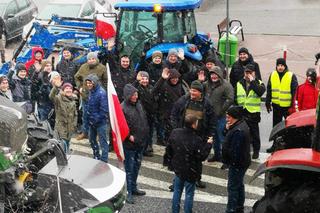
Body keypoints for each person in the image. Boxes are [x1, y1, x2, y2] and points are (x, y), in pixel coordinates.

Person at [171, 80, 216, 188]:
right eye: (191, 90)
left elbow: (212, 121)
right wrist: (177, 129)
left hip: (200, 136)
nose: (192, 93)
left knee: (197, 160)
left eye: (194, 91)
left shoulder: (207, 104)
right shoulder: (184, 100)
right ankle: (176, 181)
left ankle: (197, 179)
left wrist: (210, 135)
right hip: (185, 134)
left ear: (200, 92)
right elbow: (174, 114)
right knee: (181, 158)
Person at [166, 114, 212, 213]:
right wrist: (208, 145)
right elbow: (202, 156)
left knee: (177, 191)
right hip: (191, 170)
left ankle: (175, 210)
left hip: (178, 167)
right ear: (193, 125)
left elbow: (169, 148)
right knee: (189, 194)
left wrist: (171, 162)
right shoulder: (196, 139)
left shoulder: (175, 133)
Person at [121, 84, 149, 204]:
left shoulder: (138, 104)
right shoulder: (122, 108)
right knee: (129, 168)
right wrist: (128, 136)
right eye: (133, 94)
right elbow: (120, 126)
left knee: (136, 166)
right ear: (128, 95)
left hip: (140, 141)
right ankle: (128, 192)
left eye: (136, 94)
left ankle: (133, 187)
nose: (135, 96)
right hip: (130, 144)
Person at [265, 58, 298, 153]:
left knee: (290, 128)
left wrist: (292, 107)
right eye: (278, 65)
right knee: (275, 127)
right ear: (276, 66)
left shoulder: (291, 75)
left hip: (287, 107)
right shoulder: (273, 75)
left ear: (285, 66)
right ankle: (275, 145)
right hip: (276, 106)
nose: (280, 67)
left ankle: (289, 146)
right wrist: (268, 102)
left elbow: (295, 92)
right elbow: (269, 89)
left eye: (282, 65)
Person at [222, 106, 251, 213]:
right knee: (239, 185)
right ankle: (239, 207)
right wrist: (227, 129)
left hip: (237, 164)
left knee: (233, 187)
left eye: (228, 117)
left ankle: (231, 209)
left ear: (235, 117)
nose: (227, 119)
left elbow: (235, 151)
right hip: (241, 162)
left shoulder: (238, 131)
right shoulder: (237, 126)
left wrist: (229, 161)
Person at [74, 51, 107, 140]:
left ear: (96, 59)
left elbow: (106, 81)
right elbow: (76, 77)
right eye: (89, 59)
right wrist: (80, 87)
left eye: (93, 59)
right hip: (86, 96)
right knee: (85, 115)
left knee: (96, 116)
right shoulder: (83, 67)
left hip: (97, 98)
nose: (91, 60)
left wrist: (102, 91)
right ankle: (85, 132)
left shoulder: (102, 68)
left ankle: (95, 134)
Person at [203, 67, 234, 162]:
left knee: (223, 138)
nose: (213, 76)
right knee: (214, 138)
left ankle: (226, 158)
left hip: (221, 117)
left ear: (219, 75)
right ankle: (217, 155)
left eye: (215, 74)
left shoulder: (226, 85)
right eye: (212, 74)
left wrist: (221, 111)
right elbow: (199, 91)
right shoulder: (206, 84)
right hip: (210, 117)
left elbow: (230, 99)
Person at [235, 64, 265, 159]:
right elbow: (236, 97)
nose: (248, 75)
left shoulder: (259, 83)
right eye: (246, 72)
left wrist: (252, 81)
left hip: (253, 113)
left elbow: (260, 92)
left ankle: (256, 151)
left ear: (254, 73)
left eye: (250, 73)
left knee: (255, 133)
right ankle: (244, 150)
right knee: (242, 133)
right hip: (243, 112)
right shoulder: (239, 83)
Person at [153, 68, 189, 145]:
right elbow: (154, 91)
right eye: (173, 78)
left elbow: (185, 97)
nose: (175, 80)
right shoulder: (163, 85)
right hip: (164, 112)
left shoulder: (181, 86)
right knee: (162, 131)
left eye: (176, 78)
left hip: (176, 113)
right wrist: (162, 79)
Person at [84, 74, 109, 162]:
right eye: (87, 83)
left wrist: (95, 119)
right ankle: (96, 156)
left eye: (90, 83)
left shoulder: (101, 93)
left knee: (103, 142)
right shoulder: (92, 91)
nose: (88, 85)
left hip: (100, 123)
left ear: (94, 83)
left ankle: (104, 160)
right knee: (92, 140)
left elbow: (104, 110)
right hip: (92, 122)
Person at [133, 71, 157, 157]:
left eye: (146, 79)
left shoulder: (151, 88)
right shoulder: (137, 88)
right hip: (141, 114)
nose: (145, 81)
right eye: (142, 79)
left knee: (149, 133)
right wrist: (136, 81)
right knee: (142, 132)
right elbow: (131, 89)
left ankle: (148, 147)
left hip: (150, 115)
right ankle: (142, 148)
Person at [49, 80, 77, 153]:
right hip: (61, 128)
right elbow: (51, 96)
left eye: (70, 88)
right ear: (63, 91)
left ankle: (66, 156)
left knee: (67, 144)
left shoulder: (73, 101)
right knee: (62, 145)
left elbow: (75, 115)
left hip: (70, 128)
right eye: (66, 88)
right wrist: (55, 87)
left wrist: (74, 125)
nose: (68, 90)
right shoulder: (59, 99)